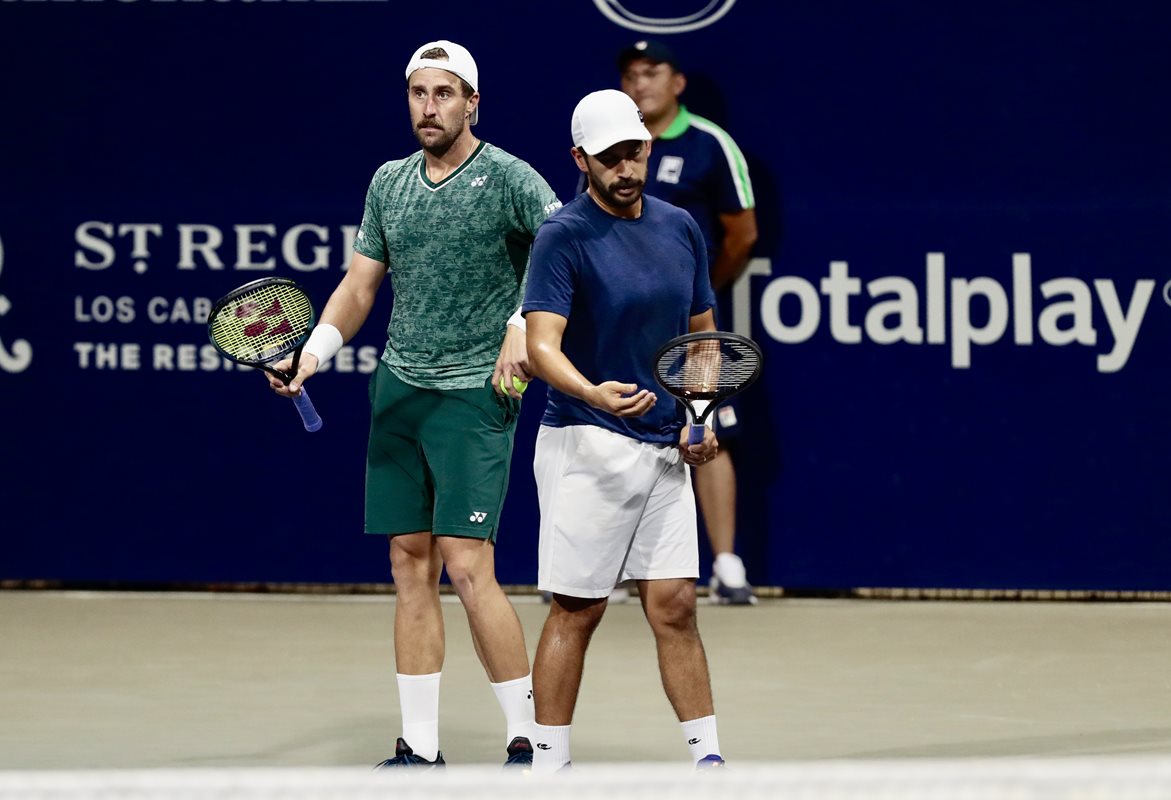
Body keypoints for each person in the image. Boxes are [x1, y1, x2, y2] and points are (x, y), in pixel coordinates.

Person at [265, 39, 560, 769]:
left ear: (472, 103)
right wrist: (314, 352)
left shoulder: (510, 178)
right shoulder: (388, 183)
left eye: (444, 93)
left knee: (467, 563)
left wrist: (519, 326)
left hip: (476, 391)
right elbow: (359, 285)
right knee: (408, 562)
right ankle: (419, 748)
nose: (429, 107)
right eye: (418, 93)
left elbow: (564, 255)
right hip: (400, 388)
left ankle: (530, 741)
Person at [523, 89, 726, 772]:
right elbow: (540, 345)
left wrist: (699, 414)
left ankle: (708, 763)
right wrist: (591, 392)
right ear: (580, 159)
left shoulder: (680, 227)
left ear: (647, 148)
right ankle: (549, 766)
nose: (625, 168)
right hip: (585, 442)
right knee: (577, 610)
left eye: (633, 152)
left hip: (664, 445)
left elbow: (702, 336)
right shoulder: (562, 235)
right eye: (609, 157)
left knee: (675, 606)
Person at [617, 40, 760, 605]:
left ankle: (726, 565)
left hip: (690, 324)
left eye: (652, 72)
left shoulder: (709, 144)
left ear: (677, 83)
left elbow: (742, 233)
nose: (641, 83)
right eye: (632, 74)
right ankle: (616, 566)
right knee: (622, 429)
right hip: (621, 322)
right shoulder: (612, 145)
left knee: (708, 429)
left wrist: (698, 290)